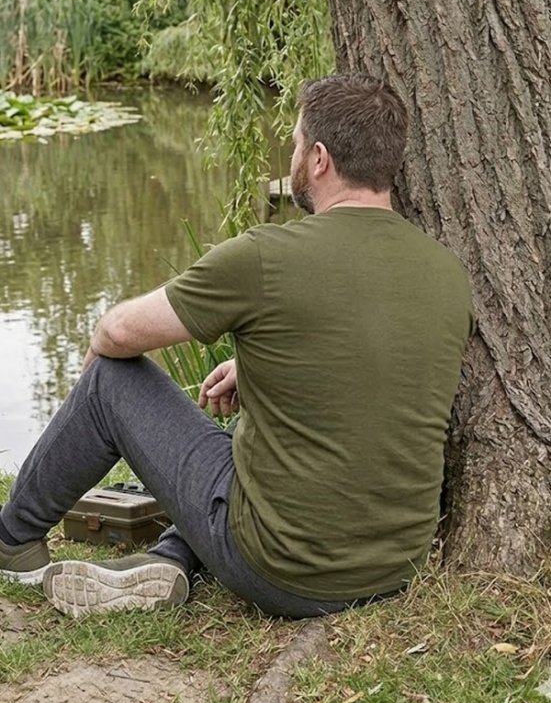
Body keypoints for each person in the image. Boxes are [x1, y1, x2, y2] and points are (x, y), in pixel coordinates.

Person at [0, 74, 473, 618]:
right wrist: (257, 369)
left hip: (280, 569)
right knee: (242, 446)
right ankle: (173, 557)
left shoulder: (266, 257)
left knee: (113, 379)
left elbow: (117, 333)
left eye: (295, 143)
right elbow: (376, 369)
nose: (292, 154)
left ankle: (12, 540)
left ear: (319, 158)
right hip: (392, 569)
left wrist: (93, 395)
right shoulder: (447, 273)